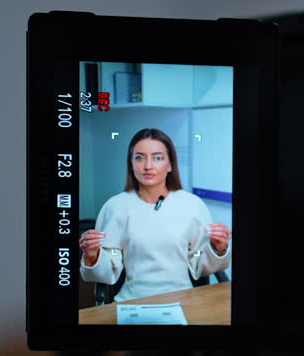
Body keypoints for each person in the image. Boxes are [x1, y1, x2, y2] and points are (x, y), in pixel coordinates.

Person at [78, 127, 231, 303]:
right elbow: (107, 269)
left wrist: (218, 248)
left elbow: (198, 260)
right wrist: (92, 255)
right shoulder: (116, 206)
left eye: (158, 158)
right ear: (131, 163)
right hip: (132, 300)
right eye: (139, 158)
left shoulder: (192, 205)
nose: (148, 166)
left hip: (183, 299)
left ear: (170, 164)